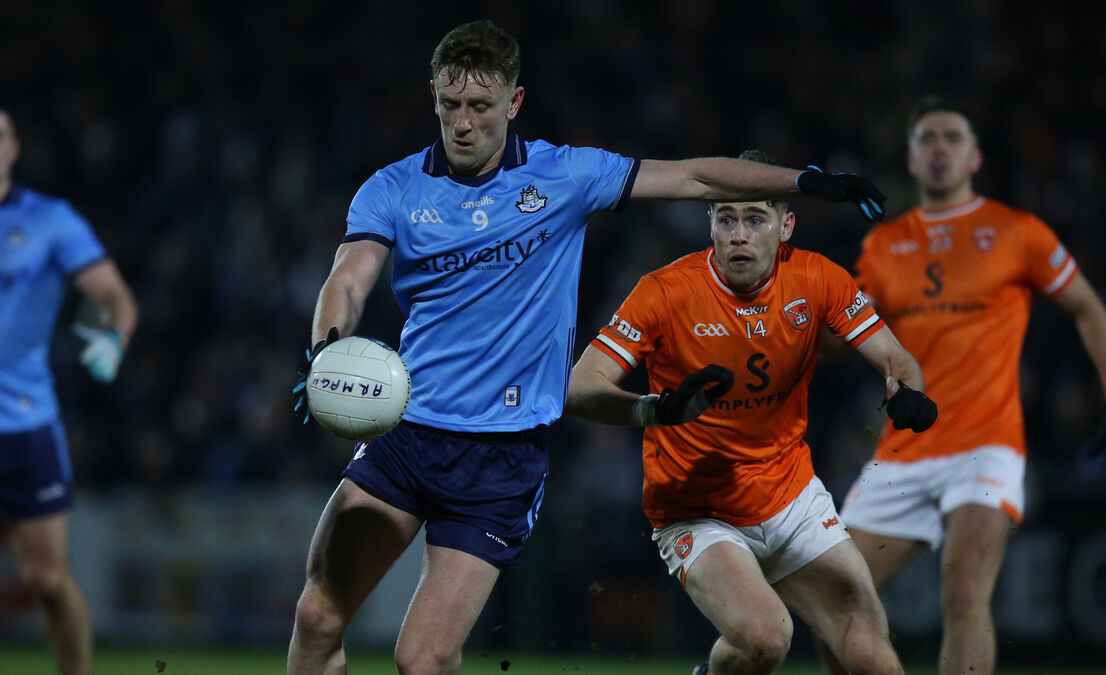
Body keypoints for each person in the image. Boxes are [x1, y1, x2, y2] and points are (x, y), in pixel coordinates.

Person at [286, 20, 891, 675]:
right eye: (450, 103)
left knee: (422, 660)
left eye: (481, 106)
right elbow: (349, 278)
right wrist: (327, 348)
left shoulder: (567, 175)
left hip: (500, 457)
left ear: (514, 102)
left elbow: (693, 177)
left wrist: (804, 182)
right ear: (432, 95)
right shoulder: (393, 188)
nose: (463, 122)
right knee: (318, 616)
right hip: (406, 433)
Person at [565, 149, 936, 675]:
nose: (739, 235)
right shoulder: (664, 292)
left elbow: (897, 358)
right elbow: (579, 387)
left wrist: (910, 392)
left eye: (755, 219)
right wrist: (654, 410)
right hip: (696, 509)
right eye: (727, 219)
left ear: (786, 227)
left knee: (873, 656)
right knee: (766, 638)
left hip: (791, 498)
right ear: (710, 225)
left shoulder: (817, 278)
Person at [827, 98, 1106, 675]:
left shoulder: (1017, 231)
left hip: (986, 447)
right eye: (927, 138)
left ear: (975, 158)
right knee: (836, 600)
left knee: (965, 591)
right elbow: (844, 338)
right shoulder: (884, 246)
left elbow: (1087, 308)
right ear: (911, 160)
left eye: (952, 137)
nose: (939, 147)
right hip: (902, 451)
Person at [0, 107, 139, 675]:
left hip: (25, 422)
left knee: (46, 578)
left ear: (13, 148)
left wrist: (114, 342)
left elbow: (116, 298)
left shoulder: (50, 220)